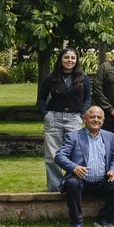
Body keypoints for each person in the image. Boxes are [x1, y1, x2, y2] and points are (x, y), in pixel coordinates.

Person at [54, 106, 114, 227]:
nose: (96, 120)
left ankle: (103, 218)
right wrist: (74, 167)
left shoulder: (110, 136)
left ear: (103, 120)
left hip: (103, 181)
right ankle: (76, 222)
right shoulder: (74, 136)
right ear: (85, 119)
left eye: (99, 117)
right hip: (81, 181)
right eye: (92, 117)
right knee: (72, 183)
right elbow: (59, 156)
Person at [39, 47, 91, 192]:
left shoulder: (82, 78)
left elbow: (87, 98)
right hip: (54, 118)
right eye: (66, 58)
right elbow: (41, 98)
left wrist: (82, 114)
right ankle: (55, 188)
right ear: (61, 59)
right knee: (52, 155)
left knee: (75, 154)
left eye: (73, 58)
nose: (69, 61)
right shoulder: (51, 77)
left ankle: (71, 185)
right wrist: (46, 114)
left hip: (74, 119)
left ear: (76, 60)